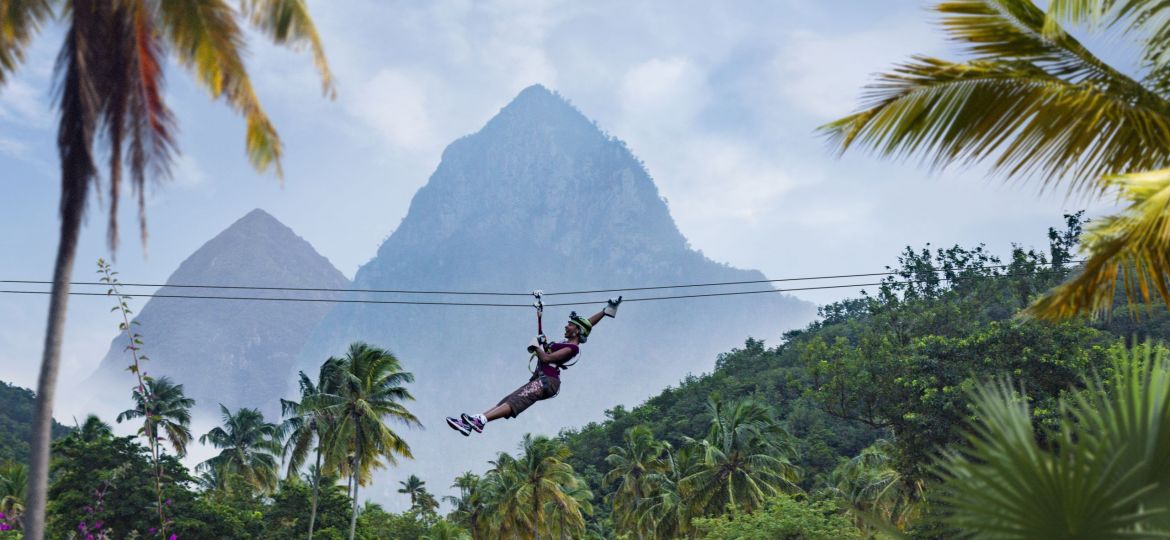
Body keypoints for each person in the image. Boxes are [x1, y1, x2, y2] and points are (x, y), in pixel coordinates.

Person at [446, 297, 621, 435]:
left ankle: (480, 420)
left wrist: (537, 346)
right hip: (540, 379)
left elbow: (545, 359)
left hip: (548, 381)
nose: (566, 326)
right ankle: (474, 421)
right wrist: (605, 311)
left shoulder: (572, 348)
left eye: (570, 324)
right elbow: (587, 324)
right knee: (507, 401)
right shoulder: (567, 340)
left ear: (577, 330)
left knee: (517, 401)